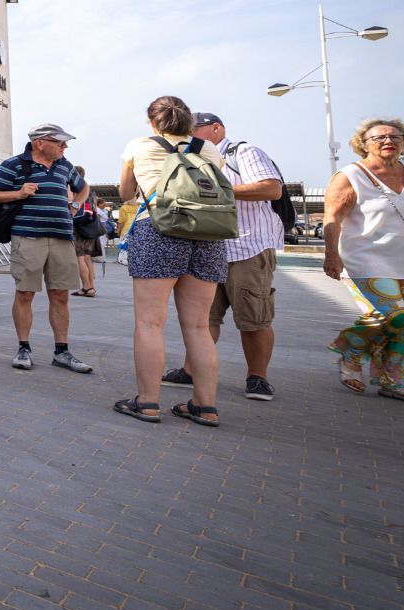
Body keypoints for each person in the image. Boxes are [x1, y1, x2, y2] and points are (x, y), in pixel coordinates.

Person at [113, 96, 227, 426]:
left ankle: (147, 402)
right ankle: (204, 406)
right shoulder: (209, 149)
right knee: (199, 326)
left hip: (158, 230)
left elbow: (125, 193)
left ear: (152, 122)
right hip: (207, 234)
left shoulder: (138, 146)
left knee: (150, 323)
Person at [159, 113, 285, 400]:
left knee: (253, 317)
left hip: (248, 246)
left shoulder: (243, 152)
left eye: (194, 128)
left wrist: (216, 191)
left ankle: (257, 377)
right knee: (202, 319)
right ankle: (191, 370)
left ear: (216, 128)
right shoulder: (191, 157)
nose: (188, 134)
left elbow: (271, 188)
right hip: (208, 247)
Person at [0, 123, 94, 374]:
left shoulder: (64, 165)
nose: (64, 147)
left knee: (61, 294)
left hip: (62, 237)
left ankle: (62, 352)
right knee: (25, 293)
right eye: (60, 142)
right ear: (40, 143)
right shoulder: (14, 165)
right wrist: (19, 193)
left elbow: (83, 187)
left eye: (65, 143)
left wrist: (75, 204)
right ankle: (23, 348)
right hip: (27, 237)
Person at [323, 118, 404, 403]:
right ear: (363, 144)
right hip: (364, 259)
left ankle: (394, 381)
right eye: (379, 137)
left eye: (395, 136)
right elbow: (333, 217)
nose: (388, 141)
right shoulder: (352, 175)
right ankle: (351, 351)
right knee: (393, 315)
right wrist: (331, 254)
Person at [70, 165, 102, 298]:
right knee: (88, 257)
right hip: (90, 227)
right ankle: (91, 287)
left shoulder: (75, 190)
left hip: (78, 227)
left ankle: (86, 287)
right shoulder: (90, 190)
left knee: (80, 258)